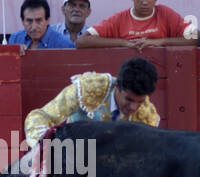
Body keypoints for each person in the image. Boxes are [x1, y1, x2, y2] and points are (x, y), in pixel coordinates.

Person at [23, 55, 159, 147]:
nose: (134, 107)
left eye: (140, 102)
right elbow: (40, 116)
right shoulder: (88, 89)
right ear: (117, 86)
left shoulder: (147, 116)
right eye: (129, 99)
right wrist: (49, 148)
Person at [78, 0, 196, 49]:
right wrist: (124, 43)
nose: (145, 2)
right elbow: (81, 41)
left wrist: (159, 42)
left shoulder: (165, 13)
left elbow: (196, 37)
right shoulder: (119, 18)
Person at [10, 0, 75, 51]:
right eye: (29, 21)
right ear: (22, 21)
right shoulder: (15, 39)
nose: (34, 27)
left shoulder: (64, 44)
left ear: (47, 20)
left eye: (39, 21)